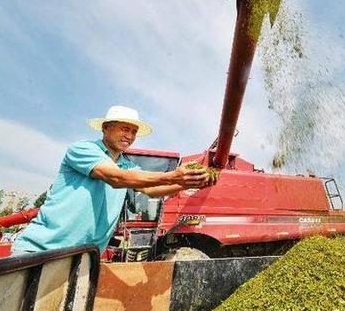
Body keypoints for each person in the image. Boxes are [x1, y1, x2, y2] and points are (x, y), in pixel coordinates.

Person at [12, 105, 214, 254]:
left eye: (134, 132)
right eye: (124, 129)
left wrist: (187, 182)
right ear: (106, 128)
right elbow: (115, 178)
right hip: (42, 251)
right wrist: (173, 175)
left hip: (83, 256)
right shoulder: (83, 149)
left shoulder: (127, 165)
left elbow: (152, 190)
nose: (130, 136)